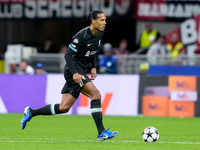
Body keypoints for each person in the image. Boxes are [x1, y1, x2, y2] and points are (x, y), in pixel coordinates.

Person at [21, 10, 119, 141]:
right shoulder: (81, 36)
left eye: (105, 20)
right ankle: (101, 132)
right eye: (101, 20)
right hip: (73, 71)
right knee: (96, 95)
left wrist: (94, 66)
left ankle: (31, 112)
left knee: (64, 108)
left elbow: (93, 51)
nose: (104, 23)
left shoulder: (100, 34)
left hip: (82, 71)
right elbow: (67, 55)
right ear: (93, 21)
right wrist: (75, 73)